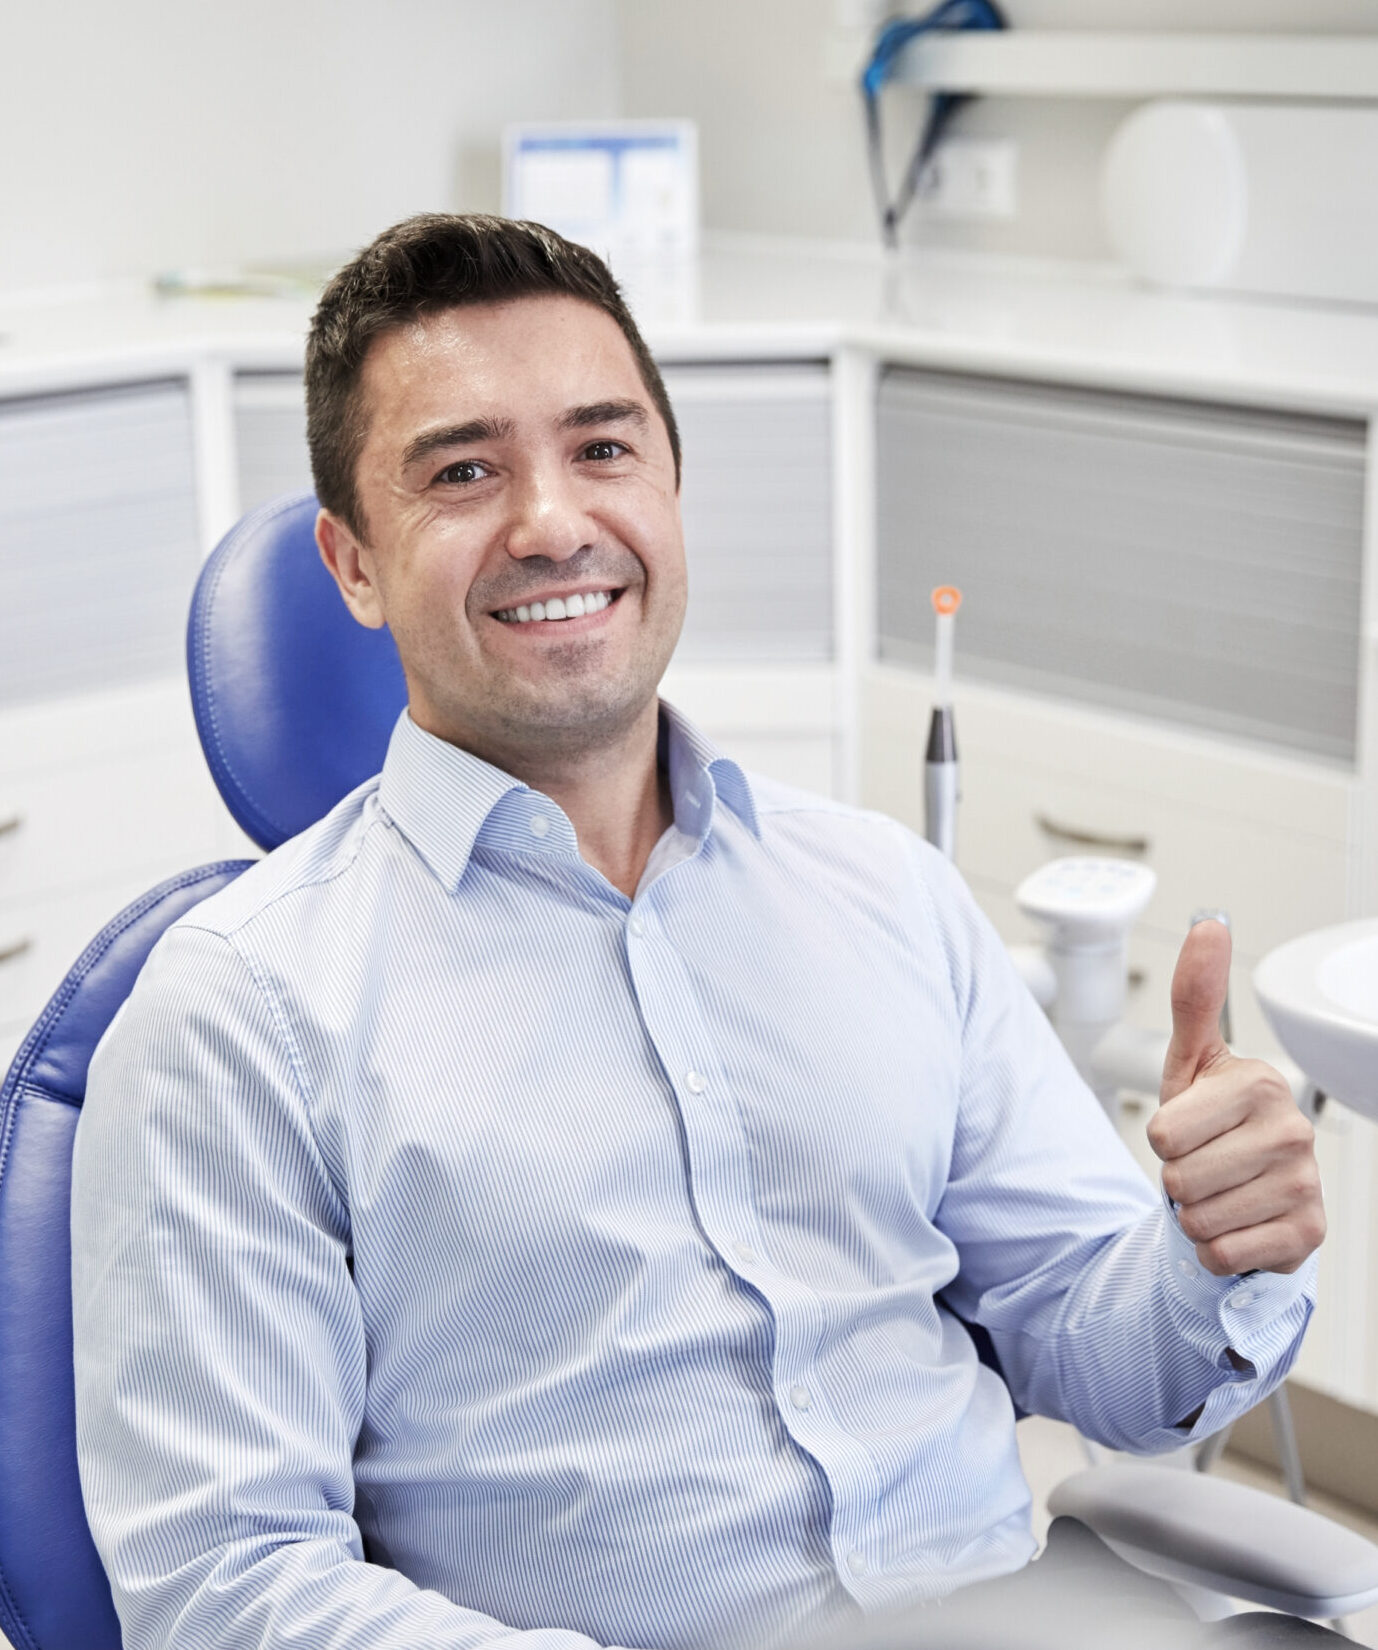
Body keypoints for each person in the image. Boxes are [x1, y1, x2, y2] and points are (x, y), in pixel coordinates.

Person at [71, 214, 1326, 1650]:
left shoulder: (883, 890)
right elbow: (225, 1583)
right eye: (464, 471)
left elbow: (1078, 1330)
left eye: (602, 449)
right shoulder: (237, 1015)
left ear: (671, 491)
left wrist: (1207, 1256)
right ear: (352, 565)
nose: (552, 520)